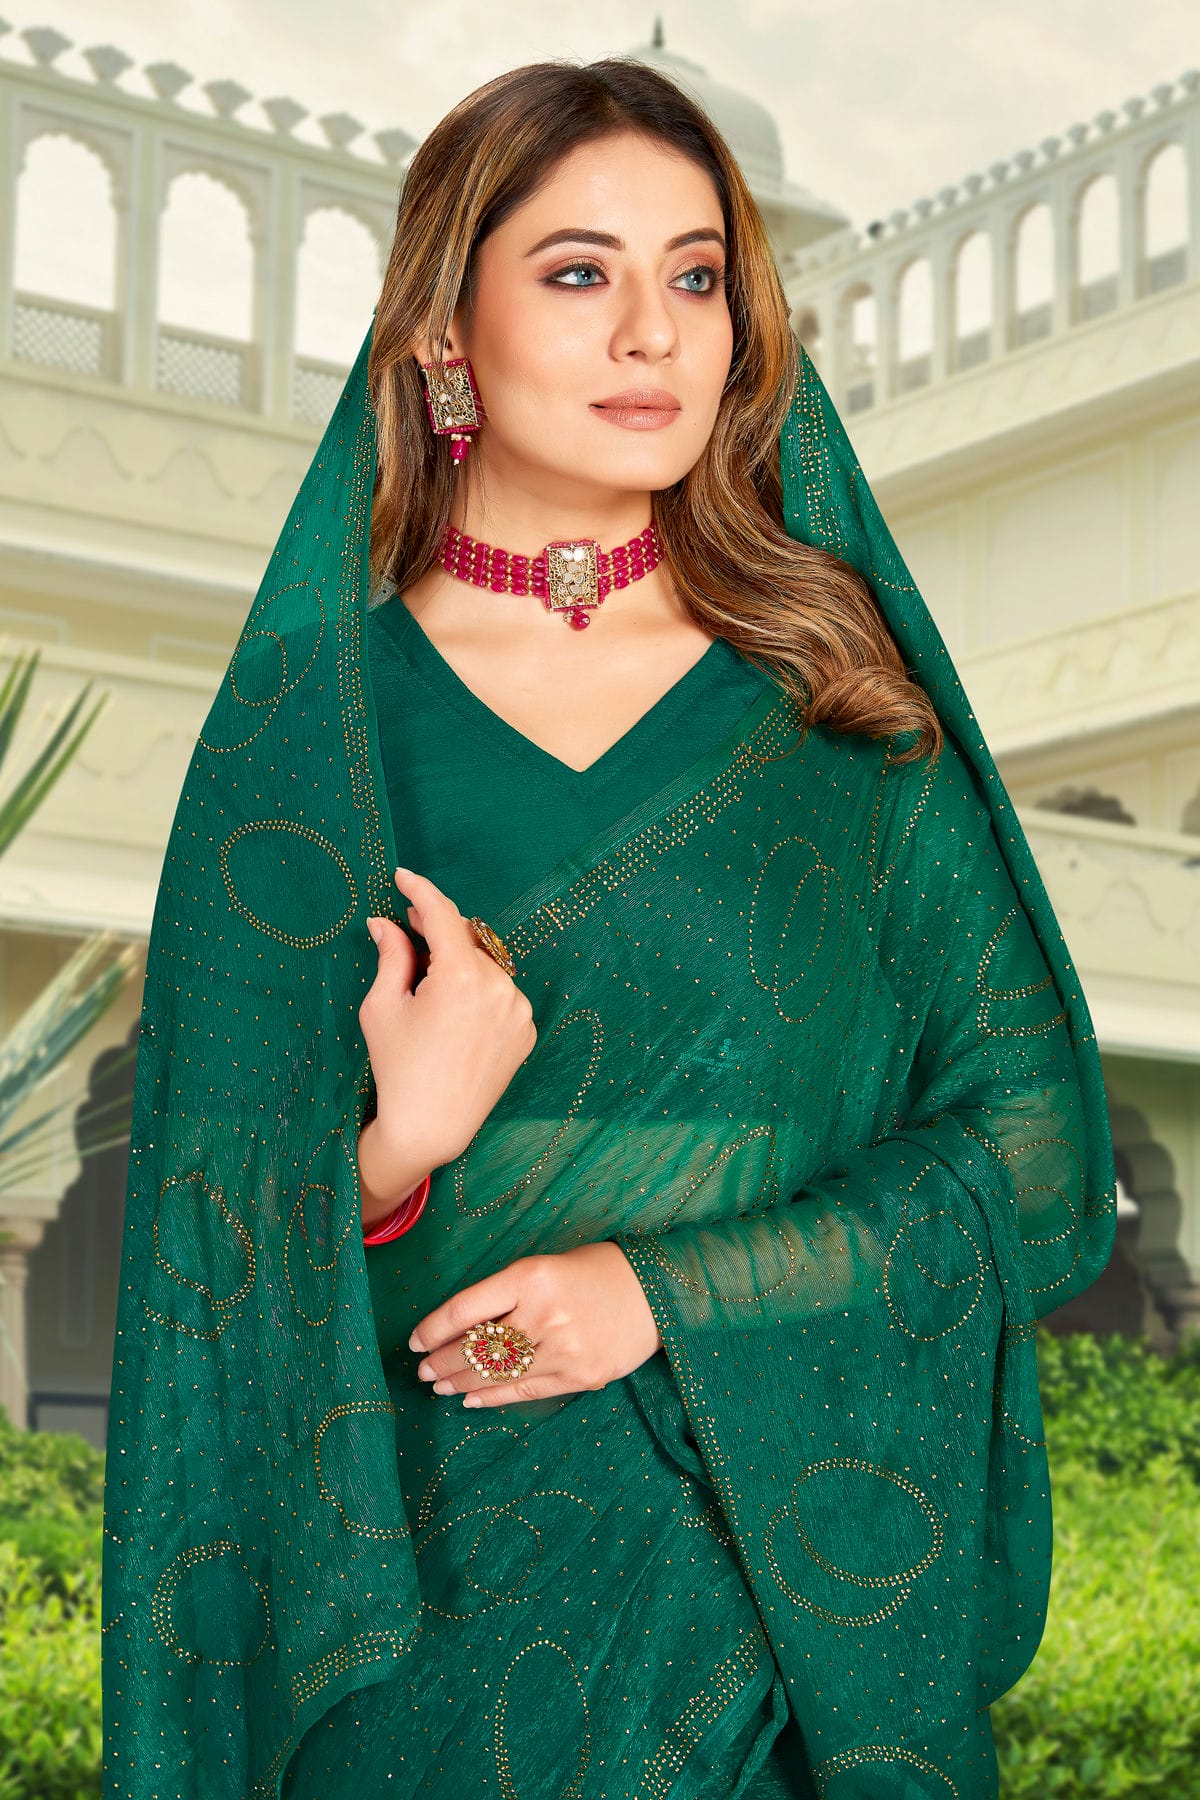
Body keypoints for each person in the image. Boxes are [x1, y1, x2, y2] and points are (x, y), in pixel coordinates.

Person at [101, 56, 1117, 1800]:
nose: (653, 332)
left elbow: (1034, 1161)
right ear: (446, 335)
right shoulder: (312, 732)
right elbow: (200, 1271)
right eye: (579, 272)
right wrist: (395, 1151)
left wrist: (664, 1294)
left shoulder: (836, 717)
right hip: (410, 1654)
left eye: (696, 276)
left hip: (761, 1644)